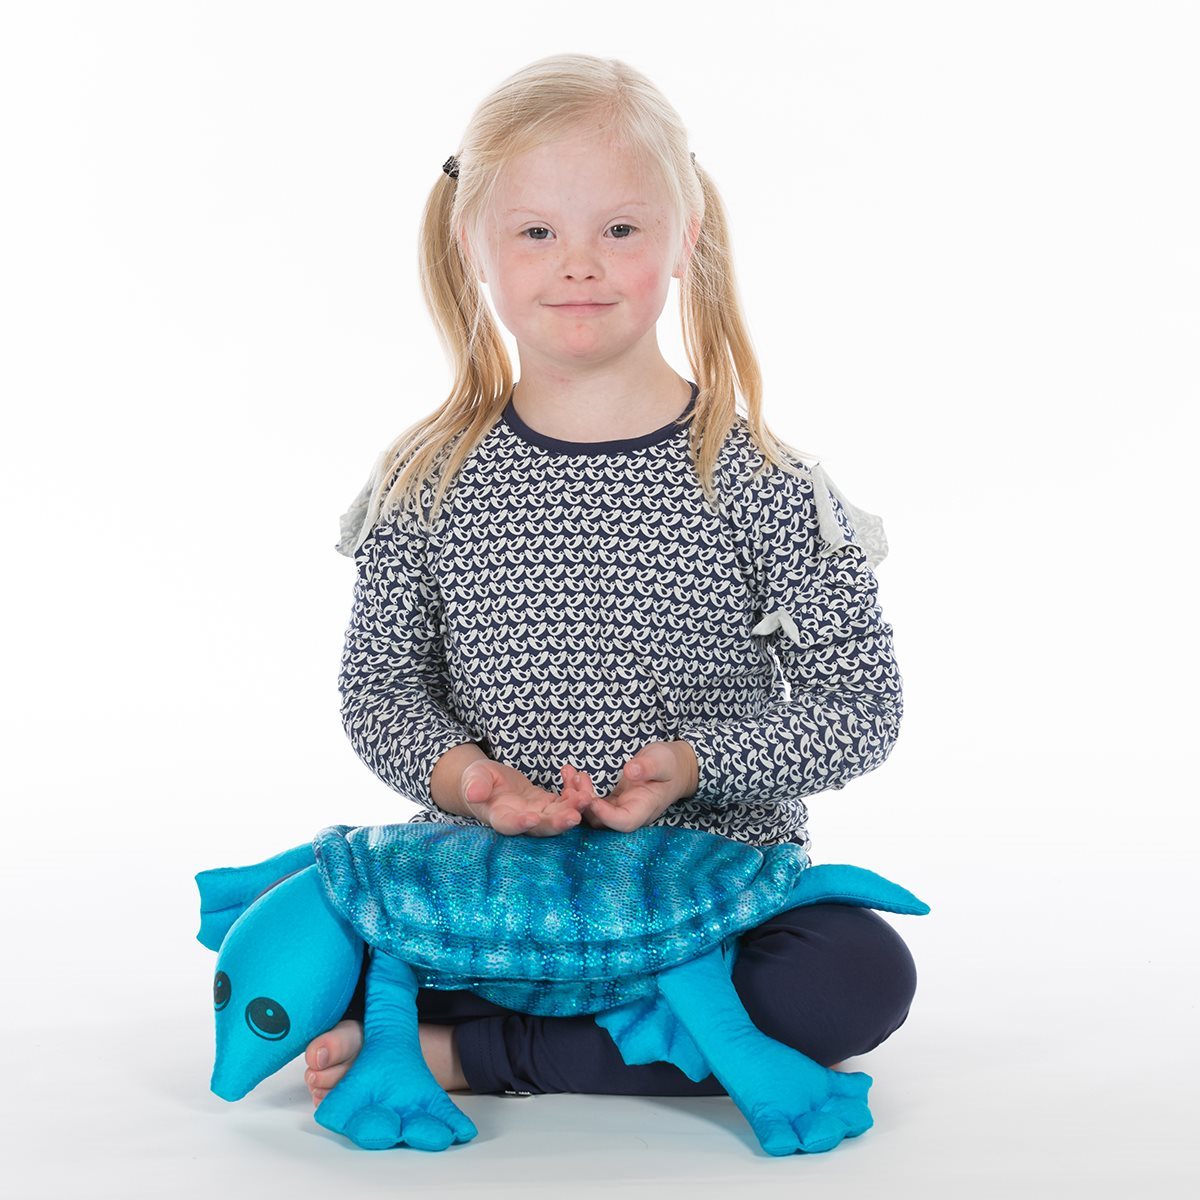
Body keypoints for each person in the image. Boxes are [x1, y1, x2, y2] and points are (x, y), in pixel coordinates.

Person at [304, 52, 917, 1105]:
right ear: (475, 247)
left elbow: (861, 707)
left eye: (620, 230)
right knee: (301, 944)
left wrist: (692, 765)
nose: (576, 264)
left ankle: (473, 1055)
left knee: (855, 976)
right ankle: (626, 1039)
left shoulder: (765, 483)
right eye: (537, 231)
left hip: (712, 893)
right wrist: (471, 784)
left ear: (686, 241)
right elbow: (382, 690)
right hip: (500, 894)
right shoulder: (426, 480)